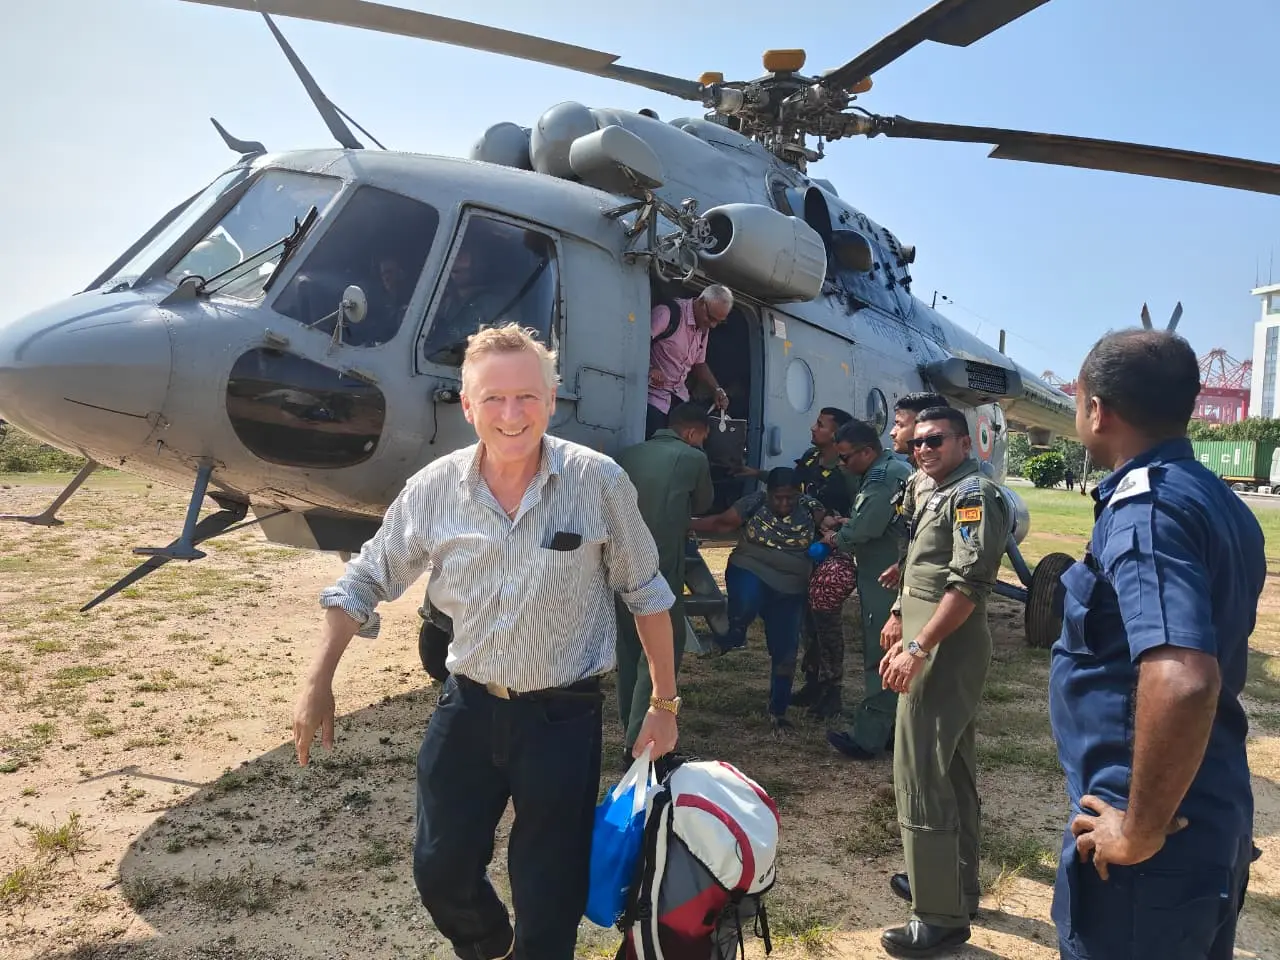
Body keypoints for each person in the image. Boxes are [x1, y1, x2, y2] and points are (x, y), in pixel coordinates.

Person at [292, 324, 681, 960]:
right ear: (468, 406)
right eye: (493, 398)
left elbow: (648, 594)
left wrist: (664, 705)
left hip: (562, 715)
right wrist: (318, 679)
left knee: (549, 891)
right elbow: (364, 578)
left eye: (527, 396)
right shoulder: (434, 489)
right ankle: (490, 945)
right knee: (440, 869)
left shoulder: (599, 483)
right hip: (468, 705)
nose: (511, 414)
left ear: (552, 400)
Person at [1048, 329, 1265, 960]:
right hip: (1205, 813)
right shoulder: (1215, 497)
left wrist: (1138, 832)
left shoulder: (1147, 509)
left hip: (1152, 849)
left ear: (1097, 410)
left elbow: (1184, 678)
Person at [877, 406, 1012, 957]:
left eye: (935, 440)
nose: (922, 449)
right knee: (950, 769)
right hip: (927, 637)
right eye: (917, 442)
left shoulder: (973, 495)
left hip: (944, 647)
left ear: (964, 443)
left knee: (921, 773)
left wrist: (918, 647)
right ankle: (955, 890)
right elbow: (922, 565)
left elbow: (967, 585)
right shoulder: (935, 490)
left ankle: (937, 917)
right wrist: (898, 614)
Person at [613, 402, 714, 765]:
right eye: (702, 437)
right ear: (692, 432)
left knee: (629, 645)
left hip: (618, 563)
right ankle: (641, 745)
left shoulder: (626, 454)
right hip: (660, 566)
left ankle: (630, 725)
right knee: (661, 650)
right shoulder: (692, 457)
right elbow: (704, 502)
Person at [690, 467, 826, 730]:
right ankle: (734, 633)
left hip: (791, 587)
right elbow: (721, 523)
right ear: (769, 493)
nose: (783, 504)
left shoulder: (811, 509)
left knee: (786, 648)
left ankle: (778, 710)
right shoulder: (754, 502)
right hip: (751, 568)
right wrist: (684, 522)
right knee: (746, 602)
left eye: (790, 498)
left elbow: (833, 528)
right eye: (778, 497)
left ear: (799, 494)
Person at [822, 420, 913, 756]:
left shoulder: (881, 477)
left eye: (846, 457)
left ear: (867, 452)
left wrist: (836, 537)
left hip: (884, 578)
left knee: (883, 653)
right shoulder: (893, 470)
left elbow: (866, 528)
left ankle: (868, 736)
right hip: (891, 571)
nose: (842, 464)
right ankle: (893, 728)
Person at [789, 406, 856, 713]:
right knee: (808, 620)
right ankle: (813, 680)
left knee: (827, 620)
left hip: (834, 550)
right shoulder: (810, 460)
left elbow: (859, 508)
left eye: (821, 425)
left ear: (836, 433)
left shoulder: (848, 470)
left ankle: (832, 689)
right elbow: (793, 490)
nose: (813, 428)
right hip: (807, 548)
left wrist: (836, 525)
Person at [875, 392, 951, 595]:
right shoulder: (917, 478)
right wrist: (903, 565)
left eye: (900, 425)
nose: (892, 433)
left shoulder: (939, 483)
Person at [646, 285, 733, 438]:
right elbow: (637, 341)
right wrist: (650, 368)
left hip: (679, 402)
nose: (713, 325)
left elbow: (699, 363)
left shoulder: (704, 329)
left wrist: (716, 390)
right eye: (711, 318)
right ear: (701, 302)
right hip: (653, 399)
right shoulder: (667, 313)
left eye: (719, 322)